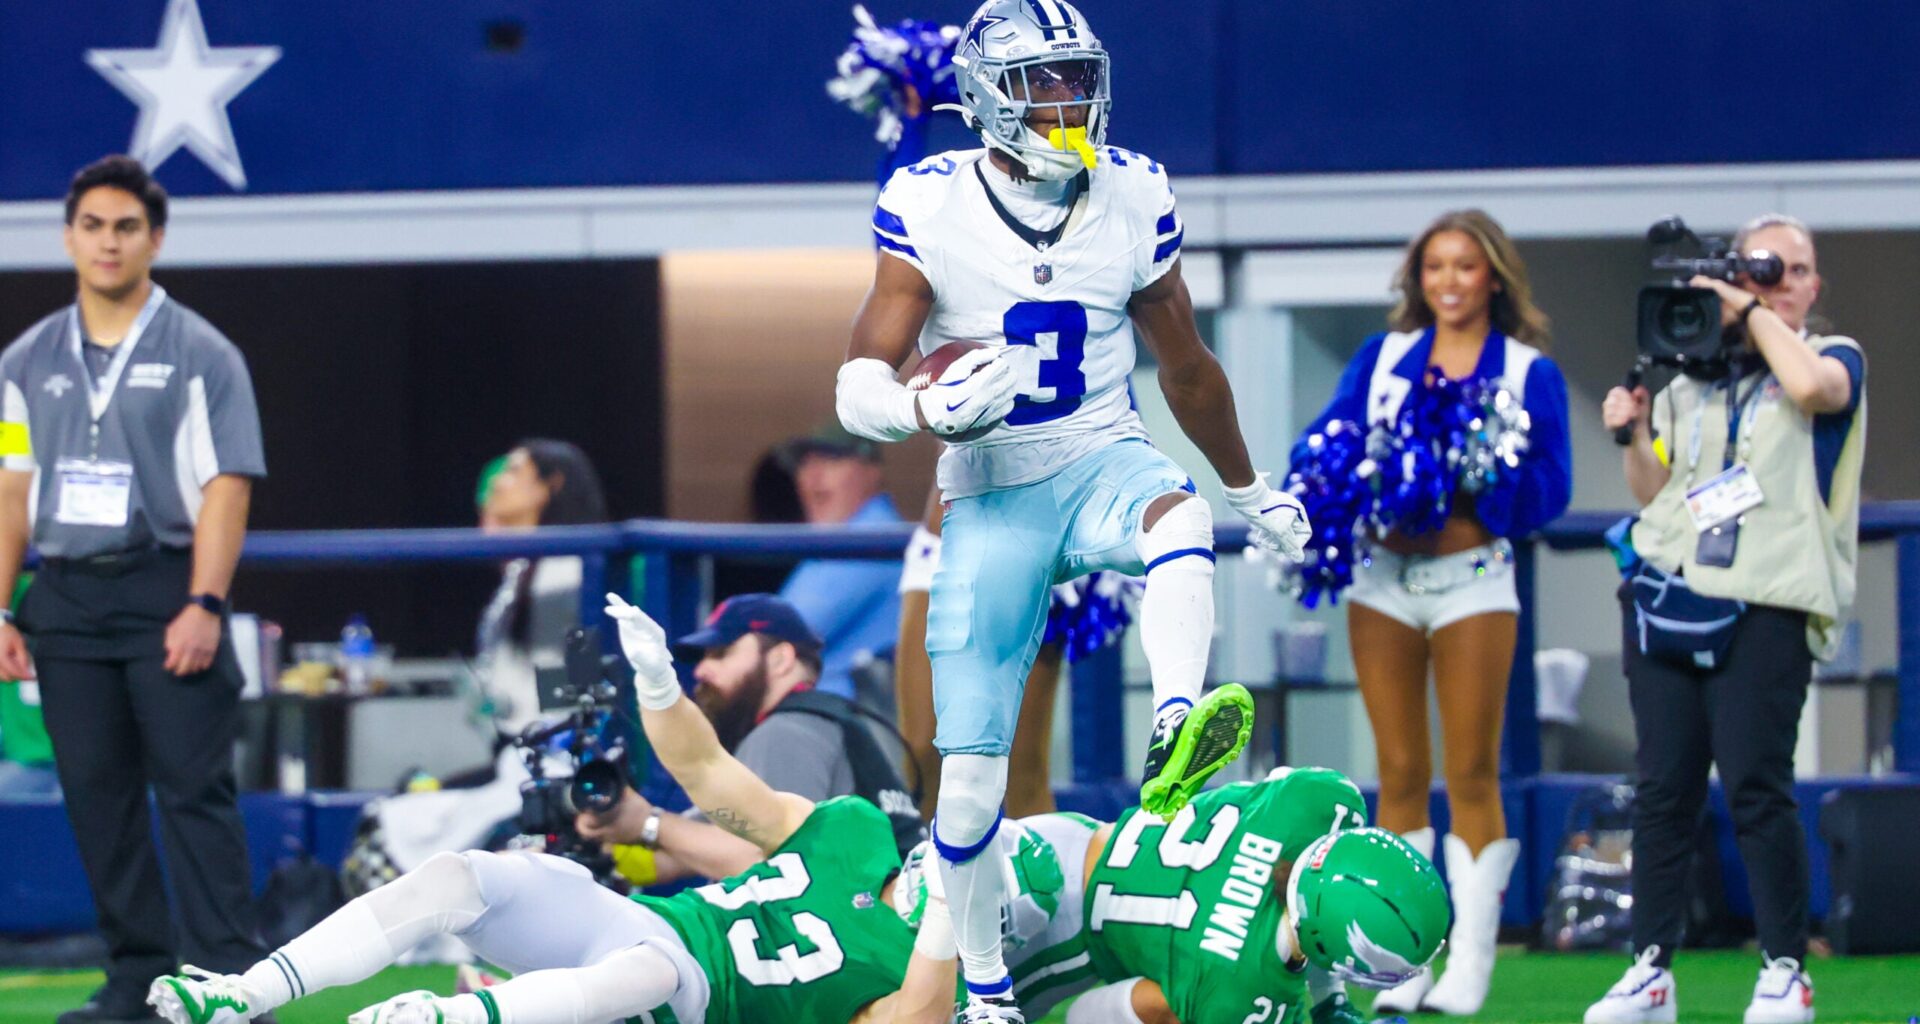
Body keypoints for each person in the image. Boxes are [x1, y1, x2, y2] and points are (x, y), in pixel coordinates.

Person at [835, 3, 1315, 1017]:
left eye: (1074, 77)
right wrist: (920, 403)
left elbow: (1186, 369)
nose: (1064, 102)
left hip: (1102, 454)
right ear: (983, 98)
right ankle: (987, 980)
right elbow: (855, 383)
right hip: (994, 491)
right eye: (1039, 83)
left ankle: (1178, 721)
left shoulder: (1134, 191)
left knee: (1181, 519)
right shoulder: (930, 203)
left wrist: (1250, 491)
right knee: (967, 787)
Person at [146, 594, 959, 1024]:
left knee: (645, 977)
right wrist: (657, 686)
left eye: (718, 653)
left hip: (687, 997)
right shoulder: (851, 829)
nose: (707, 666)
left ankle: (455, 1015)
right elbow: (708, 772)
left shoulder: (921, 974)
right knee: (460, 876)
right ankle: (247, 993)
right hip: (661, 923)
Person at [0, 156, 268, 1024]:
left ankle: (231, 982)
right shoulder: (25, 360)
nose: (107, 243)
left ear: (155, 238)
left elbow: (227, 486)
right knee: (97, 798)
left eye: (125, 227)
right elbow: (11, 489)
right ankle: (135, 982)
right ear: (69, 236)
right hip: (67, 599)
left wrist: (206, 603)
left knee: (194, 792)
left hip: (167, 591)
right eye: (92, 226)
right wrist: (3, 609)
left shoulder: (203, 352)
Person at [1289, 210, 1570, 1016]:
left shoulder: (1526, 372)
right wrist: (1331, 480)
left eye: (1465, 267)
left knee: (1471, 771)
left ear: (1494, 279)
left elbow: (1551, 490)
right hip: (1382, 579)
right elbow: (1330, 440)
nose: (1449, 281)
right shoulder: (1381, 360)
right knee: (1400, 772)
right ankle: (1400, 963)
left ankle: (1472, 964)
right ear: (1418, 279)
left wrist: (1491, 469)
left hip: (1473, 577)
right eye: (1435, 267)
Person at [1584, 214, 1864, 1024]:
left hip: (1770, 599)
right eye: (1759, 268)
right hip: (1672, 593)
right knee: (1661, 792)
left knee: (1756, 787)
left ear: (1813, 286)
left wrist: (1750, 314)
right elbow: (1652, 490)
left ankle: (1785, 971)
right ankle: (1650, 973)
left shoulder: (1832, 358)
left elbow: (1815, 392)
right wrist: (1632, 432)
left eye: (1793, 269)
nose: (1777, 278)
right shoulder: (1690, 379)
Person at [887, 766, 1448, 1024]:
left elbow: (1305, 909)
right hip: (1058, 934)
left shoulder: (1321, 800)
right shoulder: (1245, 991)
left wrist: (1329, 1007)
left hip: (1068, 840)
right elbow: (1088, 1016)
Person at [576, 592, 922, 884]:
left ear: (780, 659)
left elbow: (767, 865)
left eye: (721, 653)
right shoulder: (827, 720)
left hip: (880, 948)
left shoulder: (787, 732)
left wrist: (649, 823)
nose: (700, 671)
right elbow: (683, 854)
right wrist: (614, 830)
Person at [474, 440, 609, 733]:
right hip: (516, 737)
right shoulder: (524, 569)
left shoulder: (567, 574)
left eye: (513, 471)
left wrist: (550, 741)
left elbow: (584, 678)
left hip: (548, 746)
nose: (497, 480)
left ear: (551, 484)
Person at [776, 424, 907, 704]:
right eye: (804, 464)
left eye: (832, 460)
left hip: (853, 726)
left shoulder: (875, 535)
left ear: (872, 471)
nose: (814, 477)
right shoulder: (831, 538)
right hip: (821, 717)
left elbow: (776, 636)